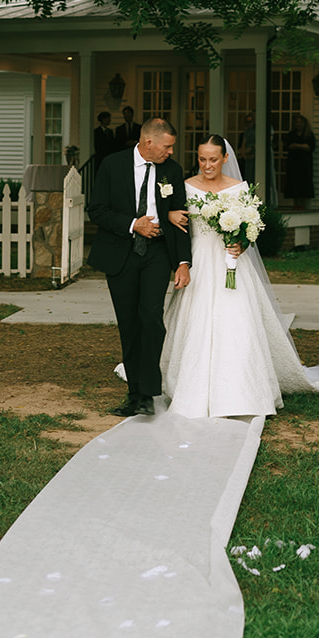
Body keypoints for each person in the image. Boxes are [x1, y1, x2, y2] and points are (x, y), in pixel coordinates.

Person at [159, 136, 319, 419]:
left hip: (231, 265)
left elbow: (249, 229)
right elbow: (173, 216)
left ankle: (240, 391)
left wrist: (241, 243)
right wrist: (170, 215)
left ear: (225, 159)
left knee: (236, 321)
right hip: (199, 263)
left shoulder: (239, 189)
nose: (207, 165)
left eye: (213, 159)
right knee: (196, 322)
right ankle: (191, 387)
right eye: (202, 159)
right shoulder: (186, 187)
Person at [89, 118, 191, 416]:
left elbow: (181, 217)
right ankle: (135, 395)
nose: (171, 152)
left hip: (157, 253)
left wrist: (182, 263)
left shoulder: (172, 171)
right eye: (167, 146)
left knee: (151, 318)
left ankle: (147, 394)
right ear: (149, 143)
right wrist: (134, 224)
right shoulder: (111, 165)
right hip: (121, 253)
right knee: (130, 325)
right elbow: (96, 210)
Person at [283, 114, 316, 210]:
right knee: (294, 183)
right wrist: (302, 146)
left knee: (304, 183)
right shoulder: (291, 134)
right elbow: (288, 146)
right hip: (293, 163)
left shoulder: (309, 135)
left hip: (305, 163)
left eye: (300, 122)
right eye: (297, 122)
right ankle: (296, 205)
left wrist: (297, 146)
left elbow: (310, 147)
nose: (298, 124)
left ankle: (304, 206)